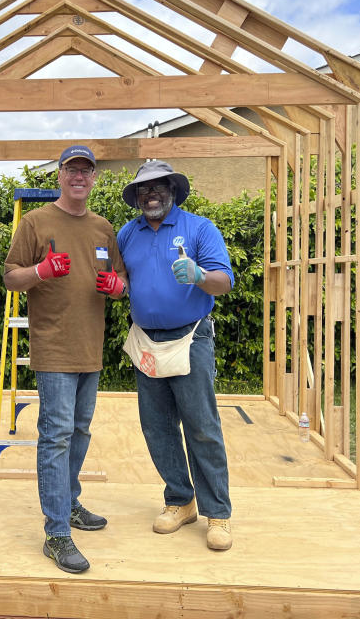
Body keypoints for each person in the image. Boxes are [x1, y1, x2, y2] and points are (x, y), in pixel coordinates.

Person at [3, 145, 127, 573]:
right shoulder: (36, 222)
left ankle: (70, 503)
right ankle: (57, 533)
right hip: (53, 346)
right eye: (72, 169)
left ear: (94, 179)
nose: (79, 176)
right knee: (55, 436)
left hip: (89, 348)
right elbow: (9, 276)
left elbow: (121, 278)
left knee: (78, 431)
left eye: (86, 171)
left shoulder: (103, 227)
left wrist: (117, 286)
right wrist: (40, 272)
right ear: (60, 175)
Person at [116, 160, 236, 551]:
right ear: (136, 197)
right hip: (146, 340)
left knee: (201, 425)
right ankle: (181, 501)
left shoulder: (199, 228)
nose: (151, 194)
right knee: (157, 426)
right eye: (144, 189)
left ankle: (217, 513)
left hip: (191, 338)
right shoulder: (126, 235)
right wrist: (114, 286)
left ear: (172, 191)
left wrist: (200, 276)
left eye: (158, 187)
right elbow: (122, 282)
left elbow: (223, 282)